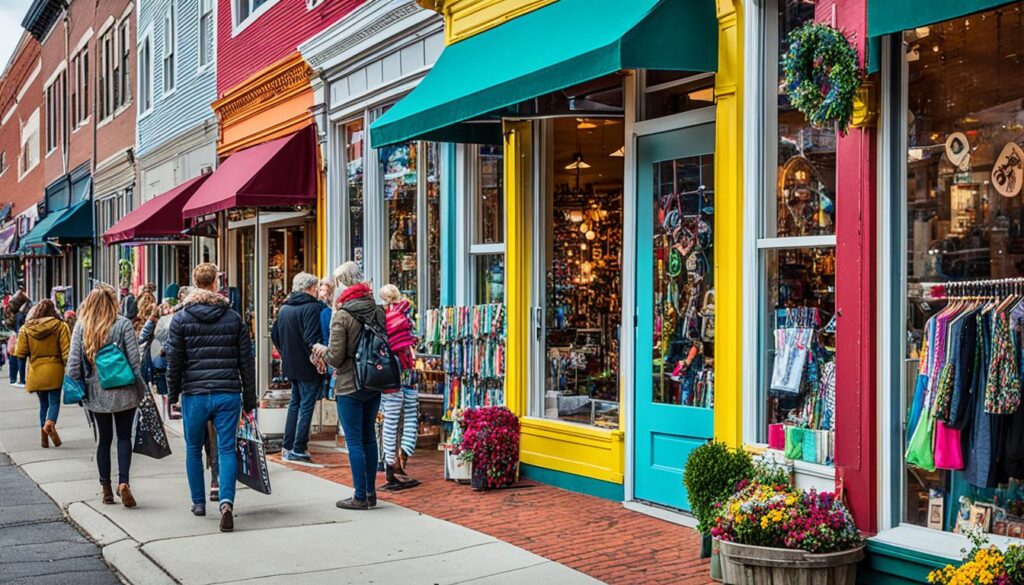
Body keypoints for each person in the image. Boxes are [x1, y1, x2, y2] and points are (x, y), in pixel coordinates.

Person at [166, 263, 256, 532]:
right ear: (216, 283)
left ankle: (198, 502)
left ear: (195, 283)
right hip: (228, 392)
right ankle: (226, 501)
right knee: (226, 448)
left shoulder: (181, 318)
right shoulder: (233, 318)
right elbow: (246, 361)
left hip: (195, 393)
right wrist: (249, 399)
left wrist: (172, 393)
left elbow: (174, 360)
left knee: (193, 449)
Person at [65, 285, 147, 508]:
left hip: (95, 390)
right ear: (113, 302)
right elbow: (135, 361)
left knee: (103, 440)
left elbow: (73, 364)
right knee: (123, 437)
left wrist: (77, 389)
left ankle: (106, 489)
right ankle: (124, 482)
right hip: (124, 390)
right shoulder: (123, 324)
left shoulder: (82, 327)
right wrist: (141, 390)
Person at [315, 261, 386, 510]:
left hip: (348, 383)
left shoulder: (342, 315)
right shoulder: (377, 310)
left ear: (343, 284)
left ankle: (359, 495)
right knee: (369, 437)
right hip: (374, 380)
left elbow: (335, 356)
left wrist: (321, 350)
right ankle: (371, 492)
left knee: (354, 440)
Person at [271, 272, 326, 463]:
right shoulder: (312, 308)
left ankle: (288, 445)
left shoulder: (284, 308)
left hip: (291, 364)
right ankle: (298, 447)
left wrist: (285, 353)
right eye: (316, 288)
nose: (318, 291)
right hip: (307, 365)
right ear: (309, 289)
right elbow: (312, 339)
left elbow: (275, 336)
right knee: (306, 406)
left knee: (295, 404)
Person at [378, 284, 420, 490]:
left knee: (391, 420)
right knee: (411, 414)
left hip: (390, 373)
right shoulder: (407, 316)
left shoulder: (382, 318)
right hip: (408, 369)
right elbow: (413, 341)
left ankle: (390, 462)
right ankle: (403, 455)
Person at [14, 299, 70, 449]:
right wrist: (71, 372)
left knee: (43, 404)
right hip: (55, 371)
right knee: (54, 402)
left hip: (36, 371)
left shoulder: (26, 329)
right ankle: (49, 425)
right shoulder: (61, 326)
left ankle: (44, 439)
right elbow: (66, 353)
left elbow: (20, 354)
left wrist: (22, 376)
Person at [8, 287, 30, 386]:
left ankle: (20, 379)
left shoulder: (20, 313)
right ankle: (21, 379)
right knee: (20, 357)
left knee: (19, 357)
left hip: (21, 336)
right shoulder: (25, 309)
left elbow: (17, 327)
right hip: (24, 336)